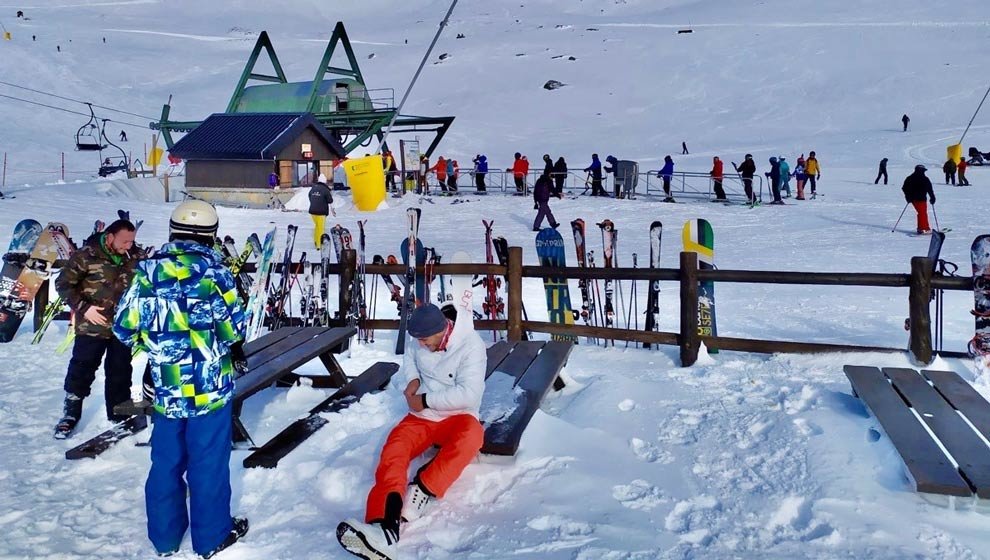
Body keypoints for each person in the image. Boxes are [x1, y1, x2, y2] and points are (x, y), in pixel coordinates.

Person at [113, 200, 249, 558]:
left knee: (166, 460)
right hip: (209, 389)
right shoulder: (216, 274)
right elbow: (235, 329)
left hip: (166, 388)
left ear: (173, 230)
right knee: (208, 462)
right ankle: (212, 537)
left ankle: (165, 537)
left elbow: (123, 328)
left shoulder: (146, 273)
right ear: (211, 236)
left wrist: (155, 343)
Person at [336, 304, 486, 560]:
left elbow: (469, 394)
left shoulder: (471, 345)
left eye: (426, 340)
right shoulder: (420, 338)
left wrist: (426, 399)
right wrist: (412, 381)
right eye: (418, 340)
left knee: (472, 437)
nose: (422, 344)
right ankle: (383, 528)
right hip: (421, 417)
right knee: (394, 449)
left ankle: (424, 487)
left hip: (457, 415)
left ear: (442, 330)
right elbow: (409, 360)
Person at [53, 219, 140, 438]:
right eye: (124, 241)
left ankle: (120, 412)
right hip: (92, 325)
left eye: (132, 241)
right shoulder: (86, 255)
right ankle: (71, 412)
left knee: (120, 370)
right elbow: (63, 284)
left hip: (122, 326)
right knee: (82, 367)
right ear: (110, 237)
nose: (128, 246)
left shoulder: (135, 256)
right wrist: (84, 307)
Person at [901, 164, 936, 234]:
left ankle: (923, 228)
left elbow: (904, 188)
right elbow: (929, 189)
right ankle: (923, 228)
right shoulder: (925, 179)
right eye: (923, 171)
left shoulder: (909, 178)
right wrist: (932, 197)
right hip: (921, 199)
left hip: (913, 199)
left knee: (921, 213)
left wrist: (908, 197)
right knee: (922, 213)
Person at [308, 173, 334, 248]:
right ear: (324, 181)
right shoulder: (325, 190)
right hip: (321, 212)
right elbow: (330, 200)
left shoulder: (313, 188)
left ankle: (316, 242)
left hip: (312, 211)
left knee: (317, 227)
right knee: (321, 228)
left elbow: (309, 196)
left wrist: (314, 202)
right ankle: (319, 245)